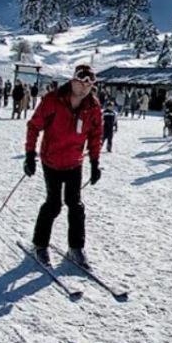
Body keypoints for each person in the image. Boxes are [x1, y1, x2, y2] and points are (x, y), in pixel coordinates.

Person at [23, 64, 102, 267]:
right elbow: (34, 126)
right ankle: (39, 244)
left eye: (90, 85)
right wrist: (30, 155)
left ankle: (75, 247)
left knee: (75, 206)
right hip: (52, 161)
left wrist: (94, 163)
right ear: (74, 80)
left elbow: (95, 136)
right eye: (82, 83)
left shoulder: (92, 106)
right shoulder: (53, 100)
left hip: (74, 162)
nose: (85, 89)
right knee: (53, 204)